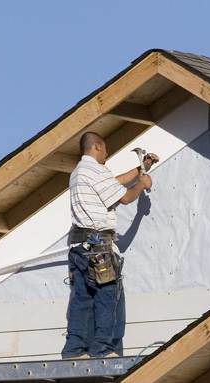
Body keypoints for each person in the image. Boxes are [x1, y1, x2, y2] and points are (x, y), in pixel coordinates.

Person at [61, 131, 156, 359]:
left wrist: (139, 170)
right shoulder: (95, 169)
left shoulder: (78, 173)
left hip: (79, 247)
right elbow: (123, 197)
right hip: (98, 248)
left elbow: (112, 183)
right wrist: (141, 185)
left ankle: (75, 351)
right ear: (97, 147)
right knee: (108, 296)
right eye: (105, 151)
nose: (106, 155)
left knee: (81, 299)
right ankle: (103, 350)